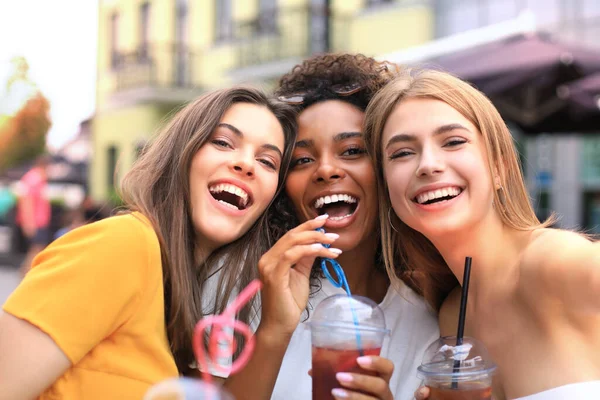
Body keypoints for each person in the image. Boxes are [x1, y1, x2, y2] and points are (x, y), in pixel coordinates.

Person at [0, 86, 321, 400]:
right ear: (181, 154)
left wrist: (275, 330)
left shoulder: (177, 289)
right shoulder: (122, 246)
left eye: (267, 162)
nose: (247, 164)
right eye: (223, 142)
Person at [364, 69, 600, 400]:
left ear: (500, 168)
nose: (428, 164)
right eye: (402, 152)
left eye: (454, 142)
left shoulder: (550, 262)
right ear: (387, 187)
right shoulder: (450, 314)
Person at [218, 54, 440, 400]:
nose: (325, 170)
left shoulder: (426, 323)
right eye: (302, 160)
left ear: (387, 168)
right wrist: (274, 331)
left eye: (351, 151)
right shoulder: (239, 289)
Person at [15, 155, 52, 276]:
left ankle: (27, 274)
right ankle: (26, 274)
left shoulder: (39, 179)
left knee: (37, 249)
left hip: (40, 221)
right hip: (36, 221)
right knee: (36, 249)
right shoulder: (33, 179)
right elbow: (27, 201)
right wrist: (29, 222)